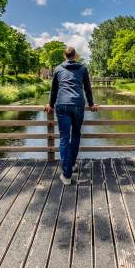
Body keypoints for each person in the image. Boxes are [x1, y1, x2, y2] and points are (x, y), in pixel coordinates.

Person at [44, 46, 98, 185]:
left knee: (64, 138)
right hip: (78, 105)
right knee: (76, 135)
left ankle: (67, 175)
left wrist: (50, 104)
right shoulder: (83, 68)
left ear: (64, 55)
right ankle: (72, 165)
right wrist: (91, 104)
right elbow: (87, 88)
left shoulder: (58, 69)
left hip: (62, 105)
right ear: (75, 56)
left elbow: (54, 90)